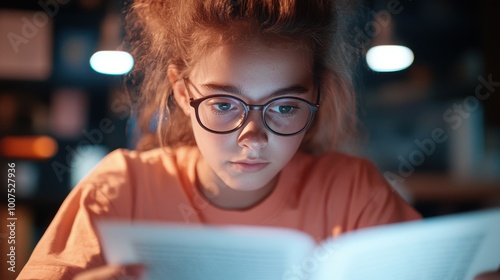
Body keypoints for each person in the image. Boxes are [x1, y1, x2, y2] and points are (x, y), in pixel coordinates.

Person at [19, 0, 497, 279]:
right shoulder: (121, 189)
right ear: (184, 95)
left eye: (284, 107)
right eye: (225, 104)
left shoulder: (354, 192)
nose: (254, 137)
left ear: (317, 100)